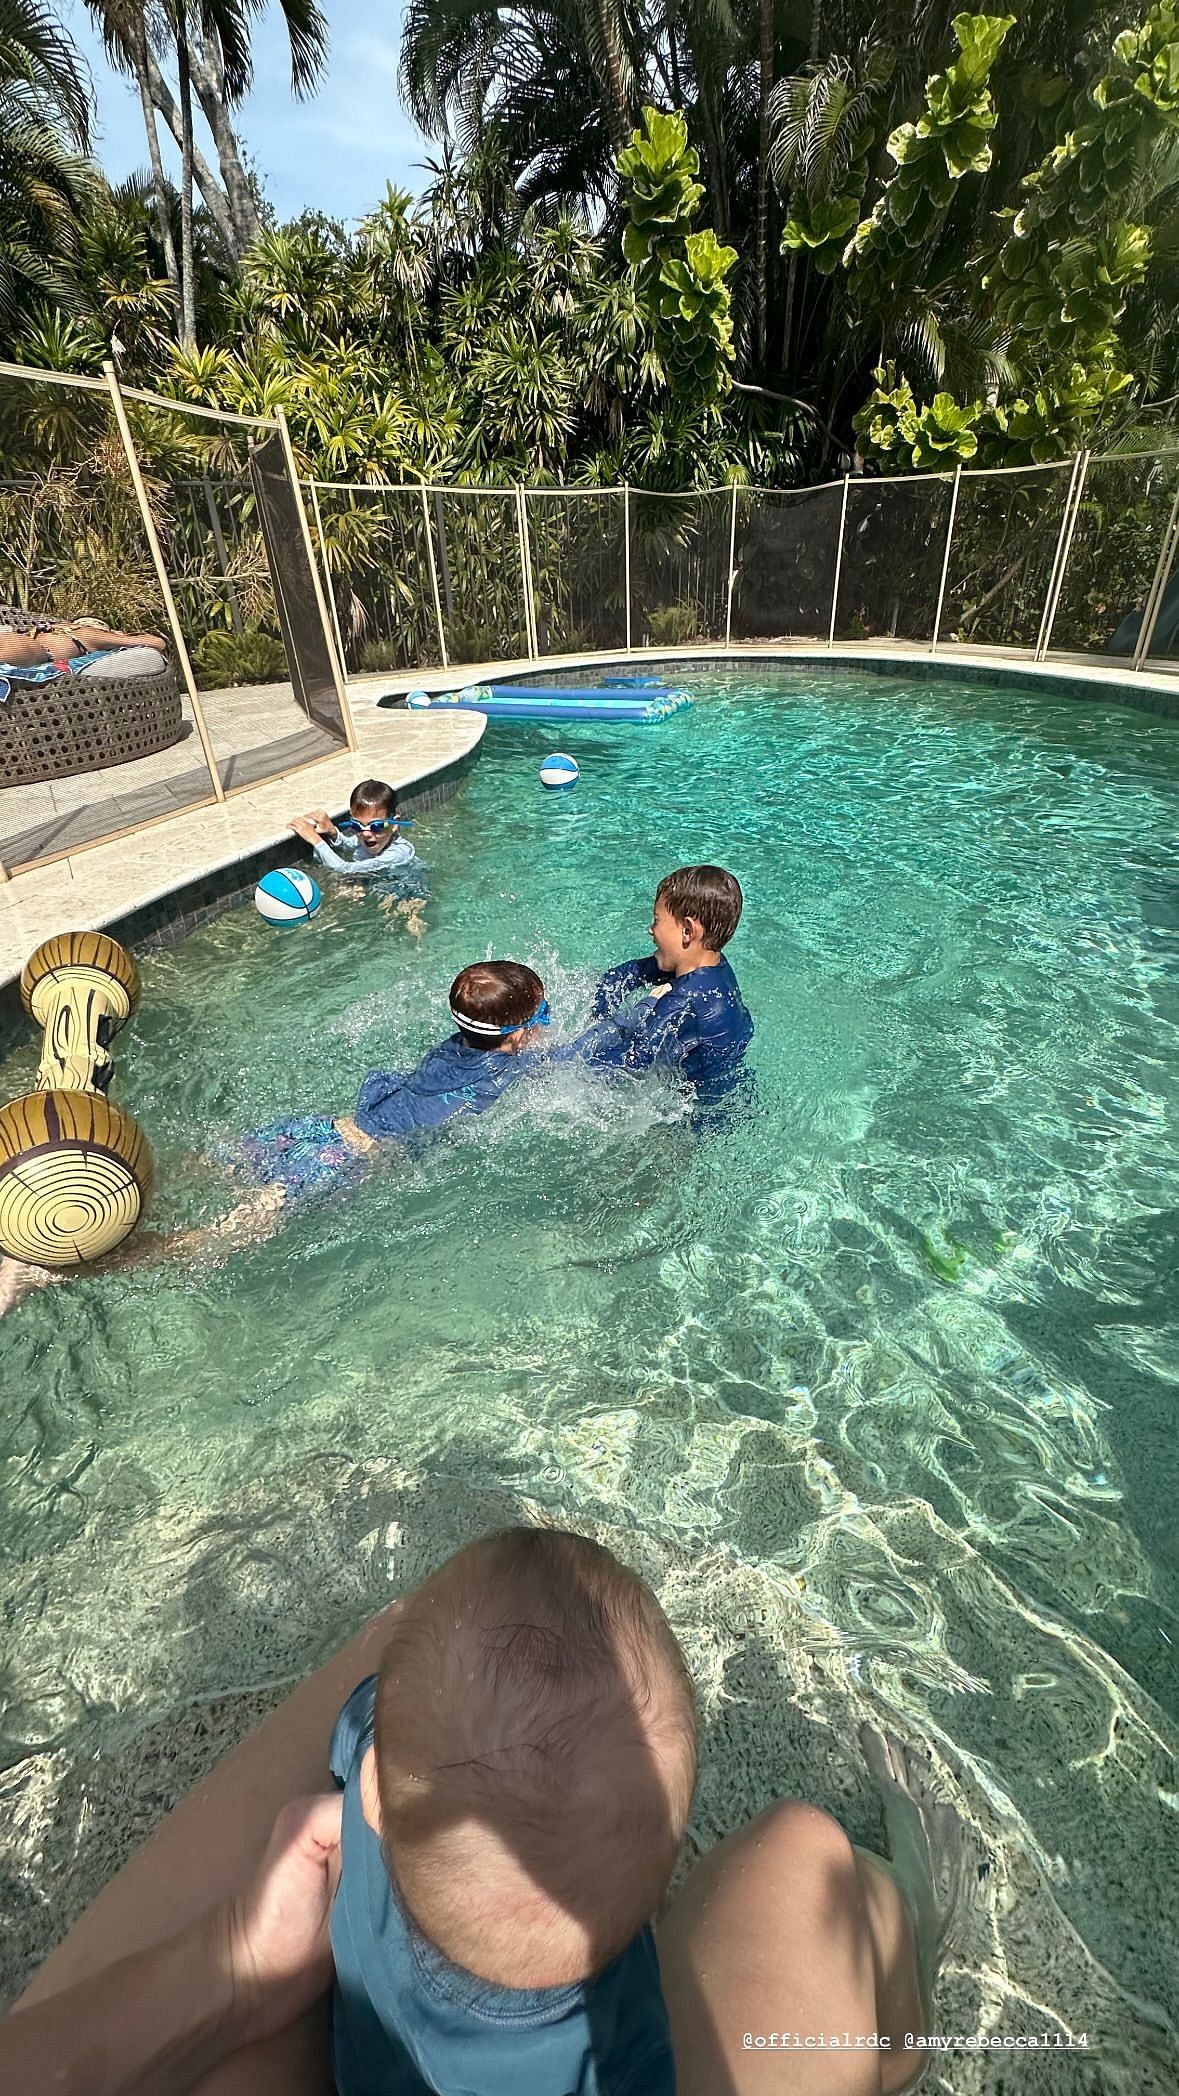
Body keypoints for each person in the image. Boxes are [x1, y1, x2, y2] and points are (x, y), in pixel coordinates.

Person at [1, 1525, 945, 2096]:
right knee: (807, 1853)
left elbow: (385, 1717)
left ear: (364, 1794)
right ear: (663, 1878)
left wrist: (246, 1964)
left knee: (416, 1658)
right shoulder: (617, 2055)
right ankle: (899, 2031)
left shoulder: (360, 1808)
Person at [0, 964, 550, 1315]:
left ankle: (98, 1193)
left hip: (312, 1128)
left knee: (203, 1166)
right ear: (516, 1033)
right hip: (331, 1164)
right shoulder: (499, 1074)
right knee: (216, 1241)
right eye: (540, 1016)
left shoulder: (455, 1047)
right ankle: (49, 1268)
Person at [566, 865, 754, 1105]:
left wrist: (571, 1062)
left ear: (687, 930)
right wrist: (600, 1015)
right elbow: (621, 976)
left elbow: (629, 1062)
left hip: (699, 1107)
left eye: (656, 921)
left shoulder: (681, 1001)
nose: (650, 930)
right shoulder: (711, 968)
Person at [288, 780, 427, 936]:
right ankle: (327, 925)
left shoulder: (398, 853)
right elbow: (349, 844)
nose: (366, 834)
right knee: (346, 889)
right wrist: (332, 831)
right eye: (356, 826)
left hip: (406, 891)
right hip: (379, 879)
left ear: (394, 824)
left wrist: (315, 839)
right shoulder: (368, 838)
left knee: (408, 921)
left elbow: (344, 868)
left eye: (377, 826)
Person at [0, 606, 168, 670]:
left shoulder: (80, 634)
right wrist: (125, 637)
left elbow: (157, 644)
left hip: (24, 646)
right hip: (24, 647)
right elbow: (157, 642)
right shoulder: (85, 633)